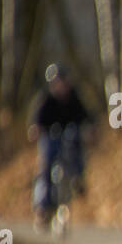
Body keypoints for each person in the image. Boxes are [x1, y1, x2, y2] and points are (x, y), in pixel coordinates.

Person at [29, 63, 92, 227]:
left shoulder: (74, 97)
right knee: (46, 164)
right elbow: (36, 121)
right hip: (50, 139)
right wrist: (35, 130)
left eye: (63, 81)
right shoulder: (45, 99)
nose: (61, 86)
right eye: (57, 82)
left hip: (68, 139)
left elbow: (86, 117)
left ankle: (78, 179)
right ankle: (43, 206)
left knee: (75, 143)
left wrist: (89, 128)